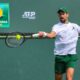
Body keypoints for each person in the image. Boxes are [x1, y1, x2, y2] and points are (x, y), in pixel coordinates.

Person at [38, 8, 80, 80]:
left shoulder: (75, 26)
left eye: (63, 14)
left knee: (69, 78)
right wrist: (44, 34)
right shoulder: (56, 26)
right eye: (60, 14)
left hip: (71, 56)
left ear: (67, 15)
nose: (61, 16)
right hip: (60, 56)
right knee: (58, 79)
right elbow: (52, 35)